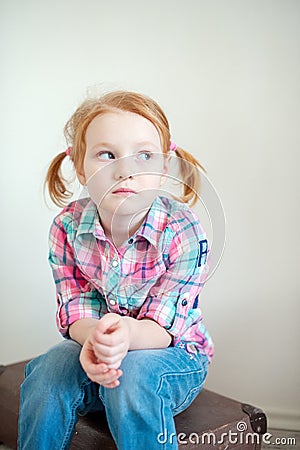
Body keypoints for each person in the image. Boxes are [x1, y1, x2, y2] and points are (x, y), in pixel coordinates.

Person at [18, 90, 214, 450]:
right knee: (48, 370)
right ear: (79, 165)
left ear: (165, 166)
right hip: (99, 345)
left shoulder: (183, 230)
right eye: (106, 155)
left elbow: (163, 328)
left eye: (144, 156)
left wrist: (124, 335)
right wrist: (97, 337)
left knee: (135, 375)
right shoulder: (67, 227)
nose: (124, 170)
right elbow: (75, 306)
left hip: (172, 353)